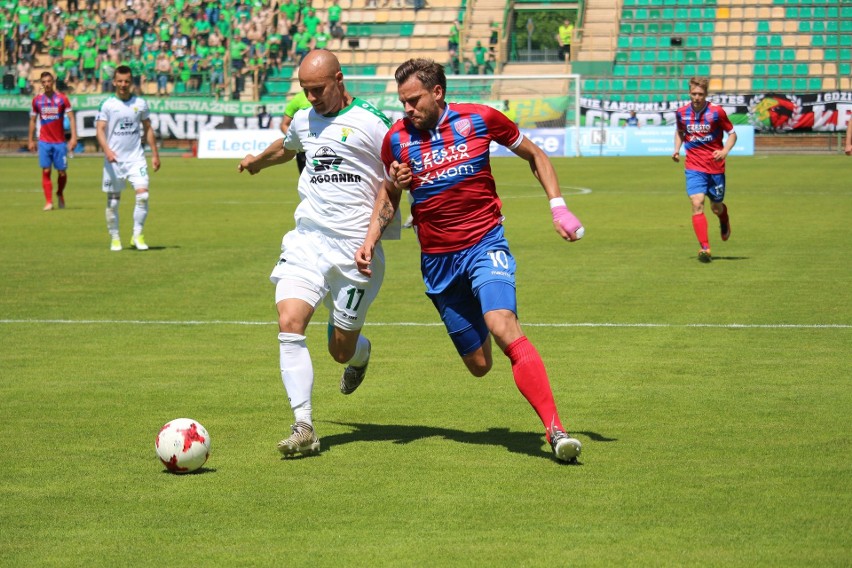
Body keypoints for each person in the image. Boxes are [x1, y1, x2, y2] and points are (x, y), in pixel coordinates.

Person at [355, 58, 585, 463]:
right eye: (402, 102)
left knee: (503, 324)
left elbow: (534, 155)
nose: (407, 109)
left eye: (413, 100)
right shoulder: (396, 139)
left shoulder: (480, 120)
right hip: (438, 262)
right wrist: (371, 237)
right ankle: (478, 317)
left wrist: (558, 206)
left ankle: (556, 430)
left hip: (485, 243)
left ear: (438, 92)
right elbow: (390, 193)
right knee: (479, 365)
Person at [237, 49, 397, 457]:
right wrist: (258, 161)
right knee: (289, 321)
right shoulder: (305, 119)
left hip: (355, 250)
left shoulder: (373, 123)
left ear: (339, 80)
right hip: (307, 239)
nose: (310, 99)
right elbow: (288, 147)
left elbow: (395, 180)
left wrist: (373, 239)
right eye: (305, 91)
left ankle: (359, 355)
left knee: (339, 350)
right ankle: (304, 425)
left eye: (318, 90)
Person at [95, 65, 161, 252]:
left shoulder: (140, 103)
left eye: (127, 81)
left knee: (143, 196)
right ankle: (115, 238)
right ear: (114, 82)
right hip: (114, 161)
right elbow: (99, 130)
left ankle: (137, 235)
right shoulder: (107, 104)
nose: (123, 84)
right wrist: (107, 150)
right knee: (114, 202)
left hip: (136, 159)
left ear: (131, 82)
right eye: (120, 81)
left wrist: (155, 154)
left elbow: (148, 128)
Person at [673, 76, 737, 263]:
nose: (697, 97)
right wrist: (676, 150)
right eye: (693, 93)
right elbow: (680, 132)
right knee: (696, 202)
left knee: (716, 207)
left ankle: (724, 219)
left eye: (700, 94)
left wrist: (724, 151)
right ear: (689, 93)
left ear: (706, 94)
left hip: (715, 167)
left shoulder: (717, 112)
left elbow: (732, 134)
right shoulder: (681, 113)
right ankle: (705, 248)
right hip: (693, 166)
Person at [28, 71, 77, 211]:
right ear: (41, 83)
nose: (46, 84)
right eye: (44, 82)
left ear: (53, 82)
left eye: (49, 81)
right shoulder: (37, 100)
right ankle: (49, 202)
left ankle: (60, 193)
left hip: (60, 142)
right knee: (46, 170)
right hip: (44, 141)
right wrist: (30, 140)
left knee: (62, 172)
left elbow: (72, 118)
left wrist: (73, 137)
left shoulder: (62, 99)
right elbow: (32, 120)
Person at [279, 89, 312, 174]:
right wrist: (295, 139)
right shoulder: (298, 99)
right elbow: (284, 124)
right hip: (303, 151)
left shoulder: (327, 96)